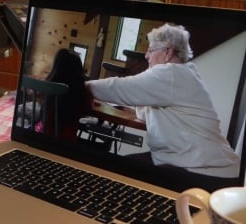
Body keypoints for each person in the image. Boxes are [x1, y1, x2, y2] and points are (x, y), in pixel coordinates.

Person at [86, 23, 240, 178]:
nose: (146, 56)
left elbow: (119, 88)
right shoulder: (182, 76)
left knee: (111, 173)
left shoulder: (172, 74)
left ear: (167, 52)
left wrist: (81, 86)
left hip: (203, 171)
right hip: (193, 164)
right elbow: (144, 111)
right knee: (116, 168)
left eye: (151, 50)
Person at [43, 48, 92, 140]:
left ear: (56, 68)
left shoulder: (47, 86)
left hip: (42, 136)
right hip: (66, 142)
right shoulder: (80, 91)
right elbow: (87, 110)